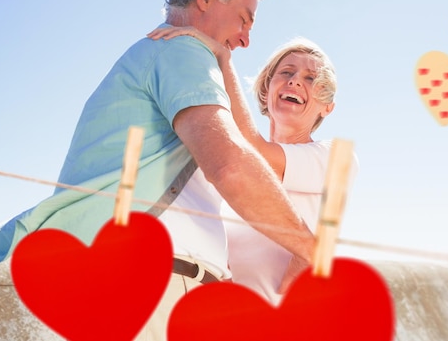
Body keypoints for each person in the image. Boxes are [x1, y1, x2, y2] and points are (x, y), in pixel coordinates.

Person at [0, 0, 316, 339]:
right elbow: (232, 166)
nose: (245, 39)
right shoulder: (182, 51)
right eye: (244, 19)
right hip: (159, 290)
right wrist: (311, 249)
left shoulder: (159, 55)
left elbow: (246, 147)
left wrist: (223, 59)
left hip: (149, 287)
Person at [147, 25, 359, 305]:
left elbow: (253, 148)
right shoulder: (231, 181)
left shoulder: (335, 157)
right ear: (266, 88)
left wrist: (223, 59)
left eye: (311, 78)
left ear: (326, 106)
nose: (295, 81)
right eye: (286, 72)